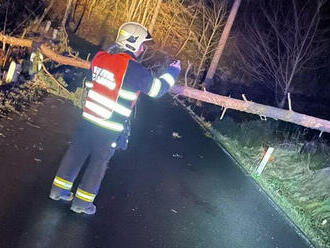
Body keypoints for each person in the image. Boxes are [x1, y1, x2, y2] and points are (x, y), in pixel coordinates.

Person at [49, 22, 181, 215]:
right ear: (133, 43)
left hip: (88, 118)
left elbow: (89, 83)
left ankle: (58, 191)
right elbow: (157, 89)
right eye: (142, 44)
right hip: (109, 127)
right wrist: (173, 72)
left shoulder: (100, 57)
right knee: (98, 163)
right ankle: (82, 204)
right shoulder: (133, 68)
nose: (143, 48)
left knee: (75, 153)